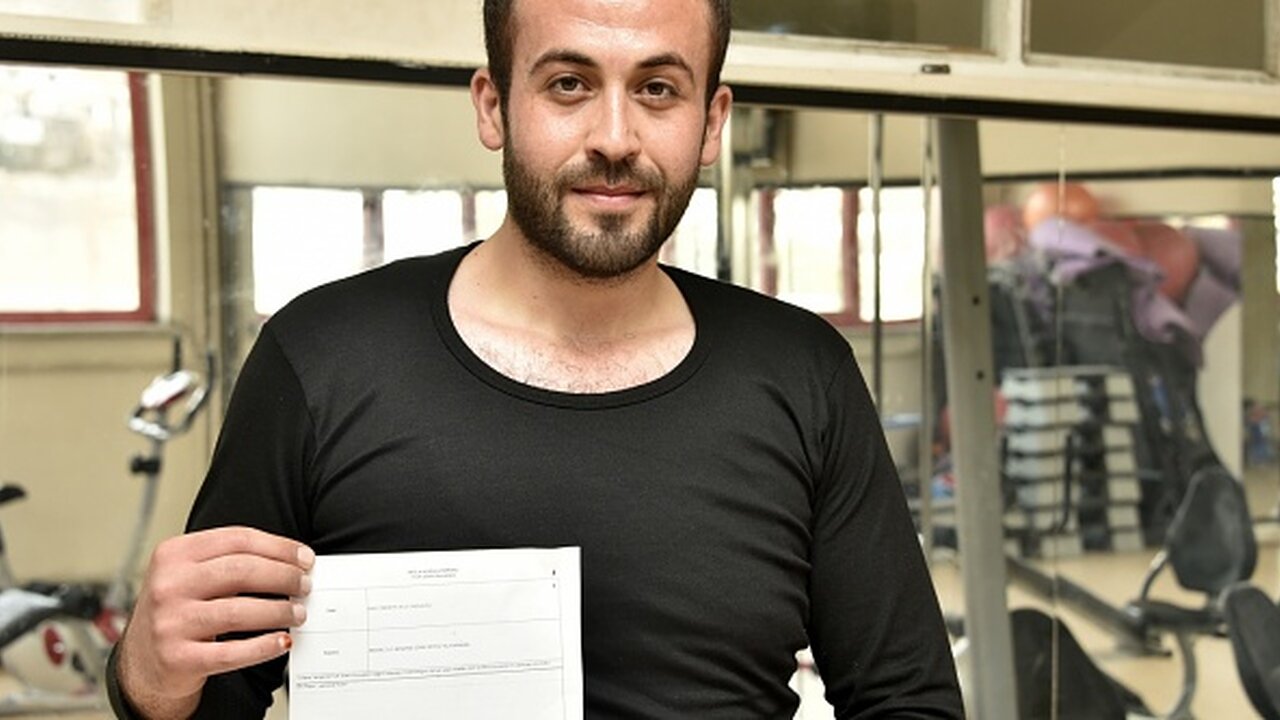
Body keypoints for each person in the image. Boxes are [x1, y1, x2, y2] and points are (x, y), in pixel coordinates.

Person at [108, 0, 964, 717]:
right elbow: (209, 700)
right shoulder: (323, 358)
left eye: (658, 89)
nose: (615, 138)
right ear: (493, 106)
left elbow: (907, 701)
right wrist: (148, 671)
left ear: (712, 122)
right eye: (569, 84)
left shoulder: (802, 374)